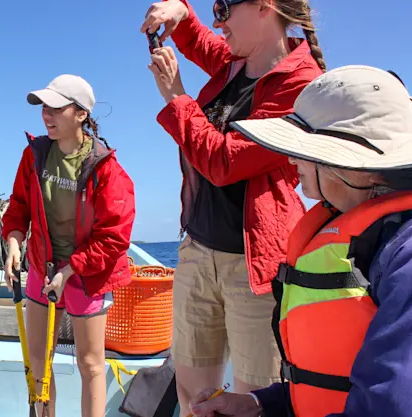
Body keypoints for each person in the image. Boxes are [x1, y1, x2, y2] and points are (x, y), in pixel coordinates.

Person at [188, 65, 412, 417]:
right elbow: (337, 381)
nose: (292, 158)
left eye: (303, 148)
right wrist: (258, 404)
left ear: (352, 164)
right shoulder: (372, 236)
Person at [140, 0, 327, 412]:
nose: (218, 21)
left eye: (225, 7)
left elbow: (226, 162)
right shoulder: (236, 60)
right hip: (197, 252)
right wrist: (180, 12)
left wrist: (176, 97)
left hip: (255, 268)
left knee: (251, 403)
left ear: (264, 7)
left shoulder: (301, 83)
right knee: (191, 397)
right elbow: (200, 39)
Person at [1, 74, 136, 417]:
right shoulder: (33, 155)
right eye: (44, 107)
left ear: (80, 114)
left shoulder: (106, 169)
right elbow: (18, 206)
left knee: (90, 364)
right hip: (41, 266)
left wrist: (70, 268)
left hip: (86, 274)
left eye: (56, 108)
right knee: (37, 361)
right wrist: (14, 242)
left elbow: (114, 236)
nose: (47, 115)